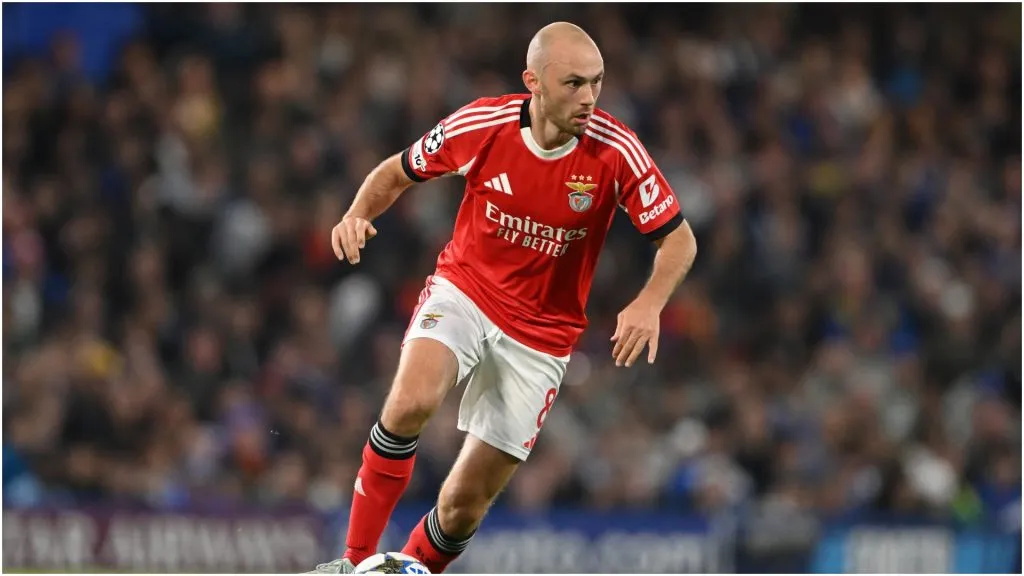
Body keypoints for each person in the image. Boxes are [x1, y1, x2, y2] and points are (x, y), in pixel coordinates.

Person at [311, 21, 698, 574]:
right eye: (573, 84)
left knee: (464, 506)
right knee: (411, 403)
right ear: (533, 82)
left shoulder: (616, 151)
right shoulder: (483, 124)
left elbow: (679, 239)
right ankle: (350, 564)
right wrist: (355, 215)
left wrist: (650, 301)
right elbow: (397, 172)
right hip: (467, 290)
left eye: (597, 83)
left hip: (542, 336)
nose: (588, 97)